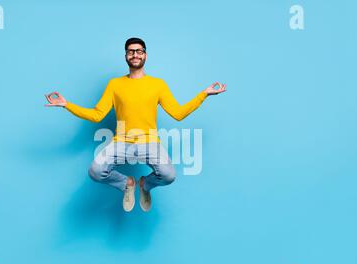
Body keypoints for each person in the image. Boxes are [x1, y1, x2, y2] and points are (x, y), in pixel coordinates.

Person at [45, 37, 226, 212]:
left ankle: (145, 184)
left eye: (139, 51)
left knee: (169, 175)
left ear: (145, 55)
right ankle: (128, 184)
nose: (135, 55)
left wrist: (204, 94)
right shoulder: (115, 84)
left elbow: (178, 114)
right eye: (131, 52)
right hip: (122, 142)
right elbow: (97, 115)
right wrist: (66, 105)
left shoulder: (158, 84)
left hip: (149, 142)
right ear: (126, 56)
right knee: (95, 171)